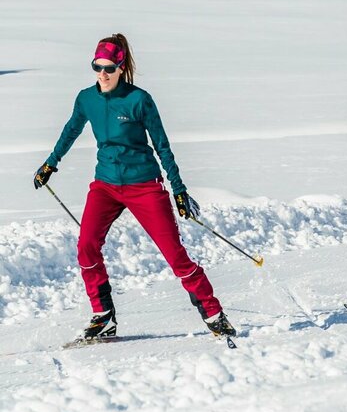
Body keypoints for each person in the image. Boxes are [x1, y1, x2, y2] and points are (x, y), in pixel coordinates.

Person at [33, 33, 236, 341]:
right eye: (97, 67)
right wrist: (50, 164)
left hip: (144, 185)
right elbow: (70, 131)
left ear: (121, 67)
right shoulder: (86, 99)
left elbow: (162, 147)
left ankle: (213, 313)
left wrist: (179, 190)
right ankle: (103, 316)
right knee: (86, 246)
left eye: (109, 68)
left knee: (174, 254)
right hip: (105, 185)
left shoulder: (139, 100)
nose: (102, 74)